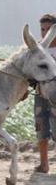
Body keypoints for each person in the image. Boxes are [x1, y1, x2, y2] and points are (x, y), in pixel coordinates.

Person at [33, 14, 56, 173]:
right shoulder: (37, 48)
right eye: (42, 29)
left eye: (49, 29)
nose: (45, 33)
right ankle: (43, 164)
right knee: (41, 128)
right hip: (40, 94)